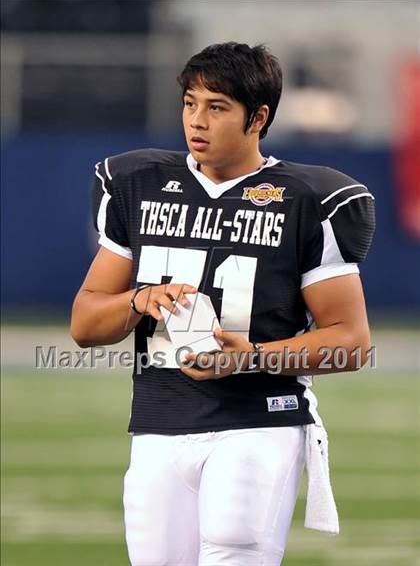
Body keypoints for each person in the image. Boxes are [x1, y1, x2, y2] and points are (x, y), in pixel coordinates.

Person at [71, 42, 375, 566]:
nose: (197, 120)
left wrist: (251, 356)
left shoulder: (306, 198)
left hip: (258, 422)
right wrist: (143, 299)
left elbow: (351, 342)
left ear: (258, 117)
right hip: (158, 421)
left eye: (217, 107)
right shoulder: (140, 185)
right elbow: (85, 323)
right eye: (190, 103)